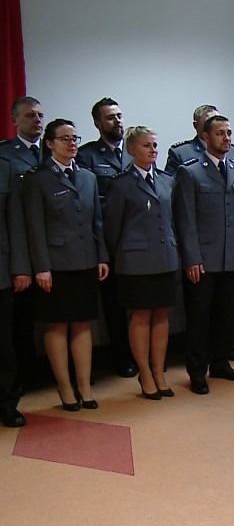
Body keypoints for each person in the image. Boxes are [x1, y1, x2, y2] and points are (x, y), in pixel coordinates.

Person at [23, 119, 110, 411]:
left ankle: (84, 386)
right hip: (55, 264)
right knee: (57, 327)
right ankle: (65, 387)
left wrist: (101, 256)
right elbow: (35, 227)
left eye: (75, 139)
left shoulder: (87, 177)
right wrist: (41, 267)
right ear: (50, 144)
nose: (72, 144)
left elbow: (97, 222)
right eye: (65, 139)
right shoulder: (38, 179)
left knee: (83, 325)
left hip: (84, 260)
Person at [172, 115, 234, 394]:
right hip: (203, 260)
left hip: (233, 255)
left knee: (227, 315)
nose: (226, 138)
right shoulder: (190, 172)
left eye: (229, 133)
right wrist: (192, 258)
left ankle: (221, 362)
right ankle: (197, 371)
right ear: (206, 137)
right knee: (199, 318)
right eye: (220, 133)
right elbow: (185, 220)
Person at [103, 126, 179, 400]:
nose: (153, 150)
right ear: (132, 149)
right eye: (147, 145)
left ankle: (159, 371)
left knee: (162, 315)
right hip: (135, 261)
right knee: (141, 316)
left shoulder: (166, 180)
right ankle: (144, 373)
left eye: (155, 145)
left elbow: (172, 219)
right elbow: (112, 228)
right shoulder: (121, 184)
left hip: (164, 256)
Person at [78, 97, 135, 379]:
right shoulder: (86, 156)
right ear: (98, 123)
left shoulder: (134, 151)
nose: (117, 121)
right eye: (111, 117)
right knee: (114, 306)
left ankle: (143, 354)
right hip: (107, 240)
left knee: (139, 302)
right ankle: (123, 357)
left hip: (136, 240)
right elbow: (89, 204)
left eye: (119, 116)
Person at [1, 97, 45, 394]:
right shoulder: (5, 156)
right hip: (18, 251)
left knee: (49, 318)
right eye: (30, 115)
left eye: (40, 115)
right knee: (17, 322)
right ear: (14, 120)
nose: (37, 120)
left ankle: (43, 373)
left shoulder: (52, 151)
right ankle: (19, 379)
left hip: (49, 249)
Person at [0, 155, 31, 427]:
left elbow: (15, 221)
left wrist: (20, 267)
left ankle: (7, 403)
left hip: (1, 270)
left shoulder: (4, 166)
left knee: (4, 342)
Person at [165, 104, 234, 176]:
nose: (216, 125)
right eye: (210, 121)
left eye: (218, 120)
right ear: (196, 125)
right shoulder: (180, 153)